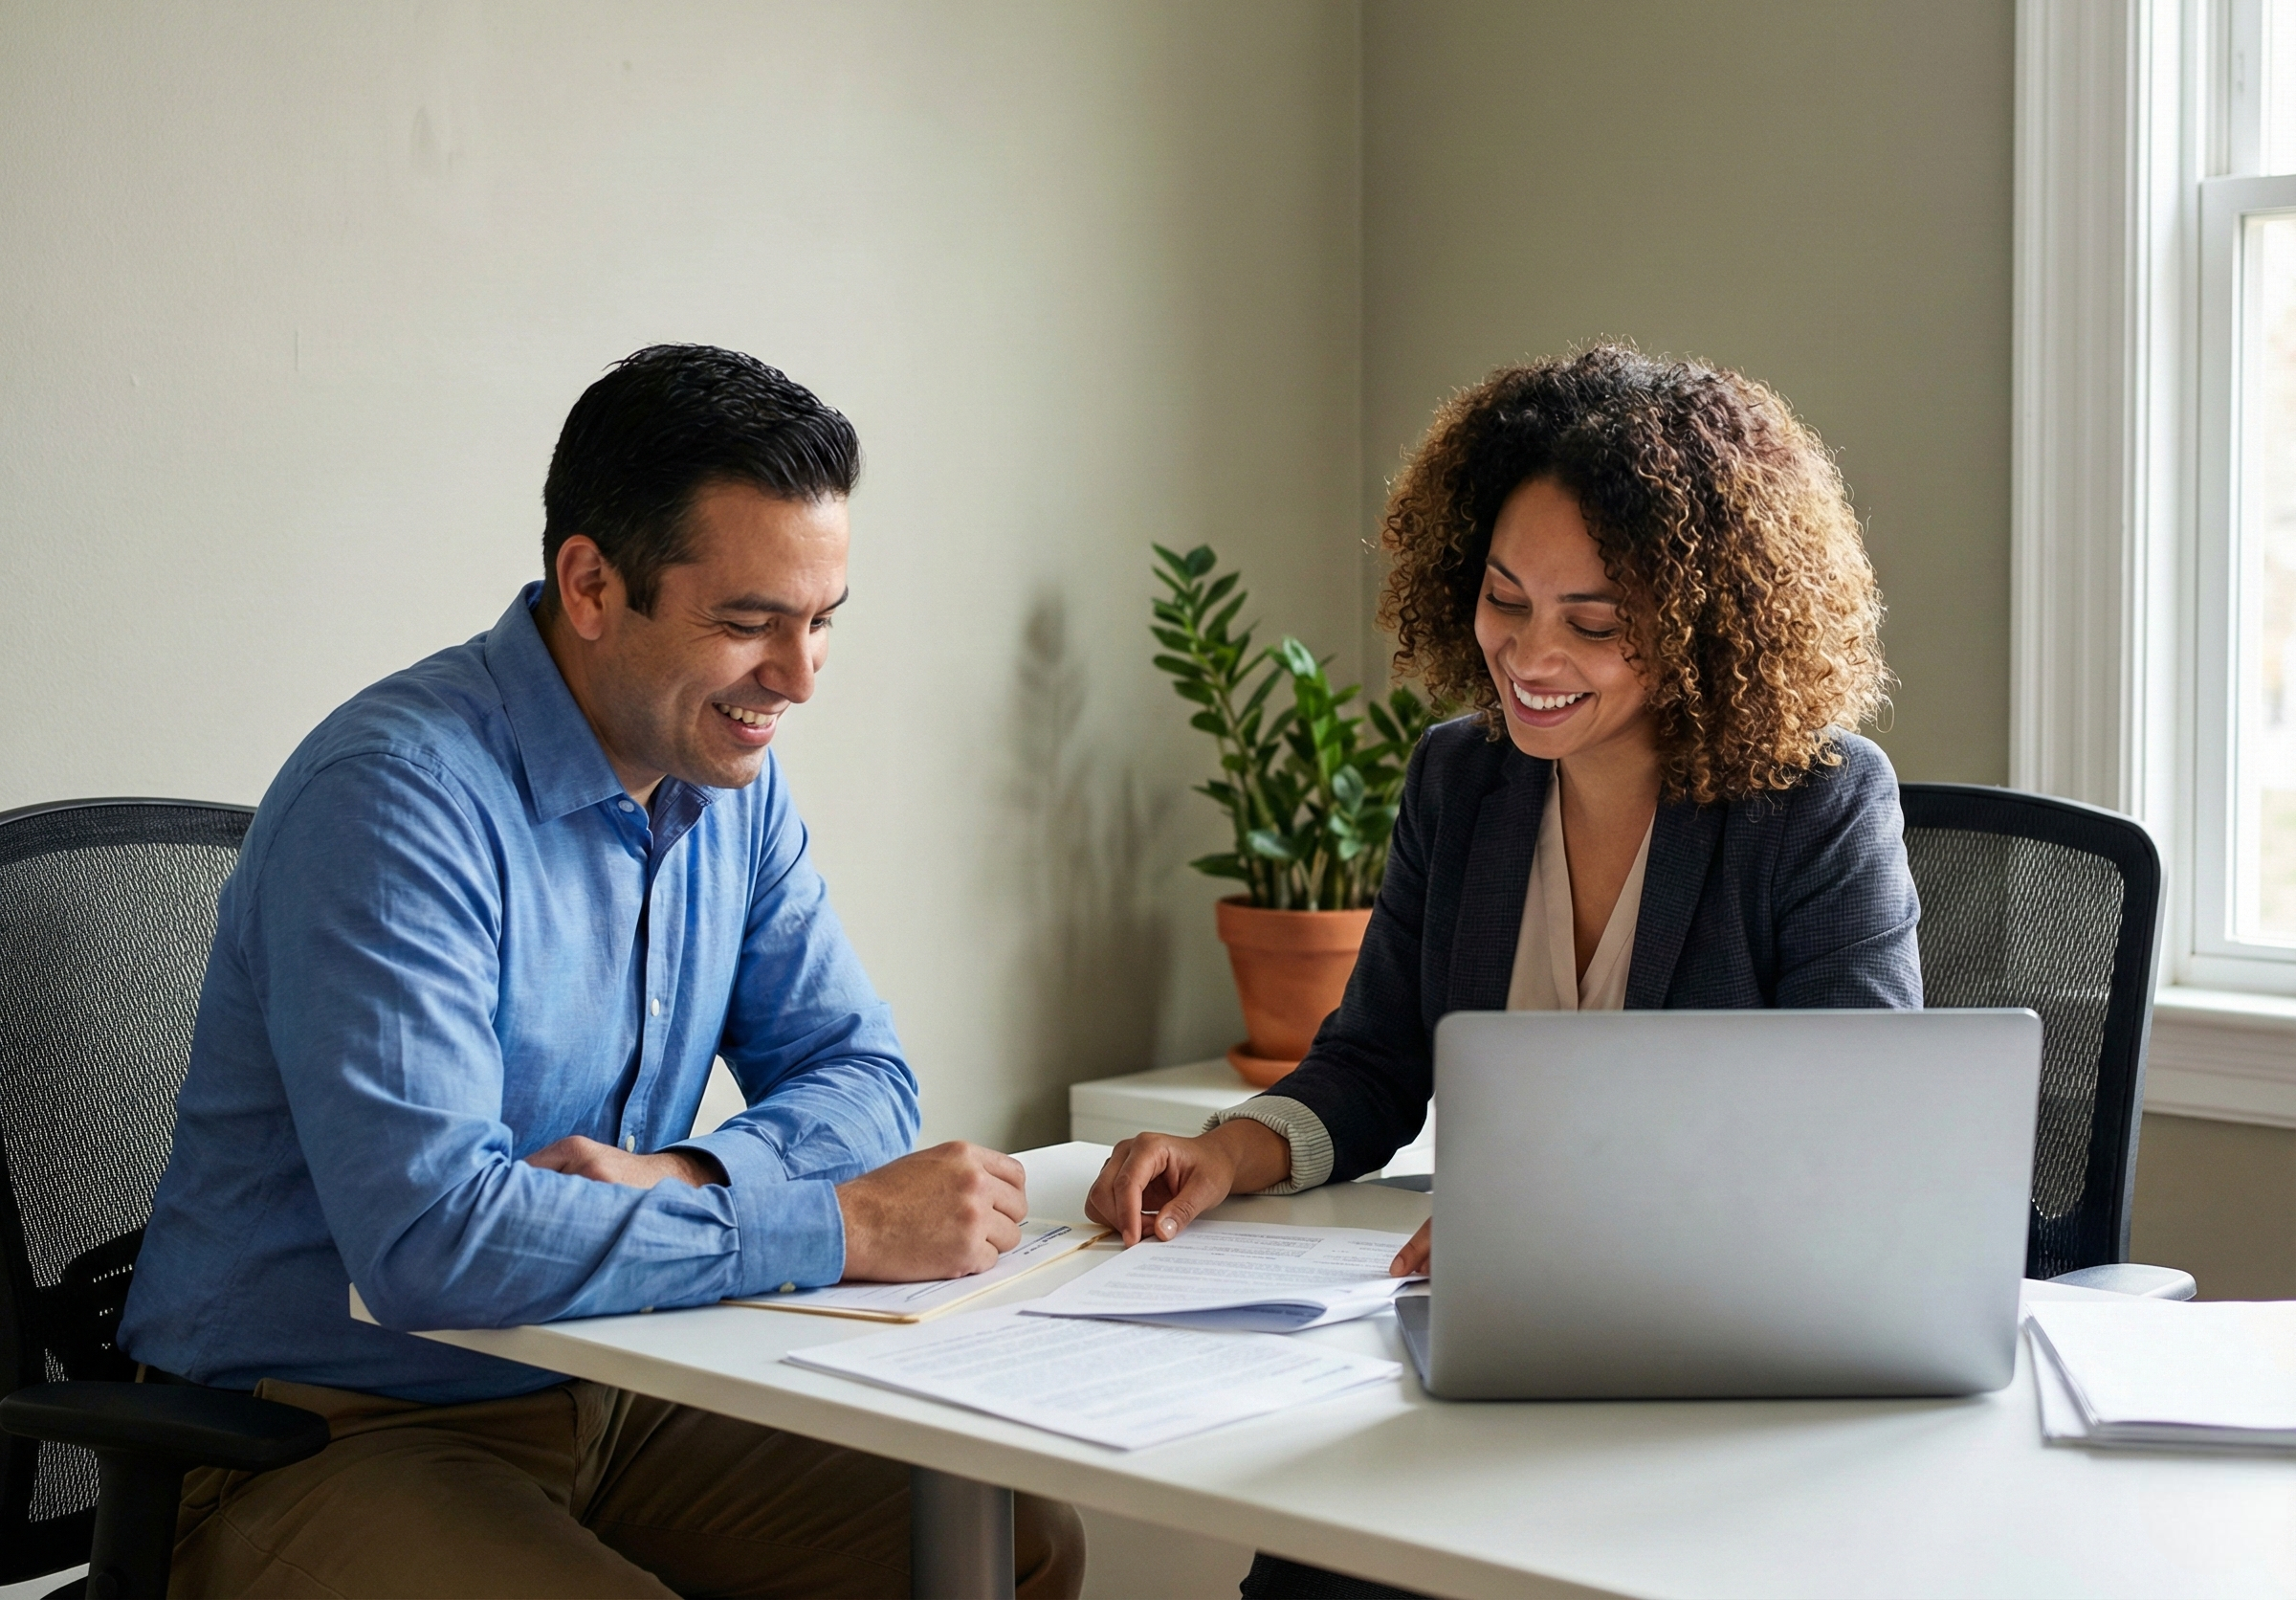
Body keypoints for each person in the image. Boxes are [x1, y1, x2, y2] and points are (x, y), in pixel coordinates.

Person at [119, 344, 1084, 1599]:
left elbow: (861, 1074)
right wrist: (836, 1224)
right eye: (747, 625)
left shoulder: (730, 779)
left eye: (820, 623)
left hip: (618, 1379)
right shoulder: (395, 804)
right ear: (588, 584)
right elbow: (431, 1242)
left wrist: (685, 1174)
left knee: (1014, 1542)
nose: (795, 680)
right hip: (316, 1434)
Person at [1084, 344, 1919, 1600]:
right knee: (1317, 1573)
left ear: (1702, 623)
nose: (1530, 654)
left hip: (1714, 1385)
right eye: (1505, 598)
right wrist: (1229, 1152)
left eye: (1594, 621)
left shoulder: (1815, 805)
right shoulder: (1461, 780)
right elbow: (1374, 1058)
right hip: (1480, 1361)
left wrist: (1561, 1228)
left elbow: (1844, 1140)